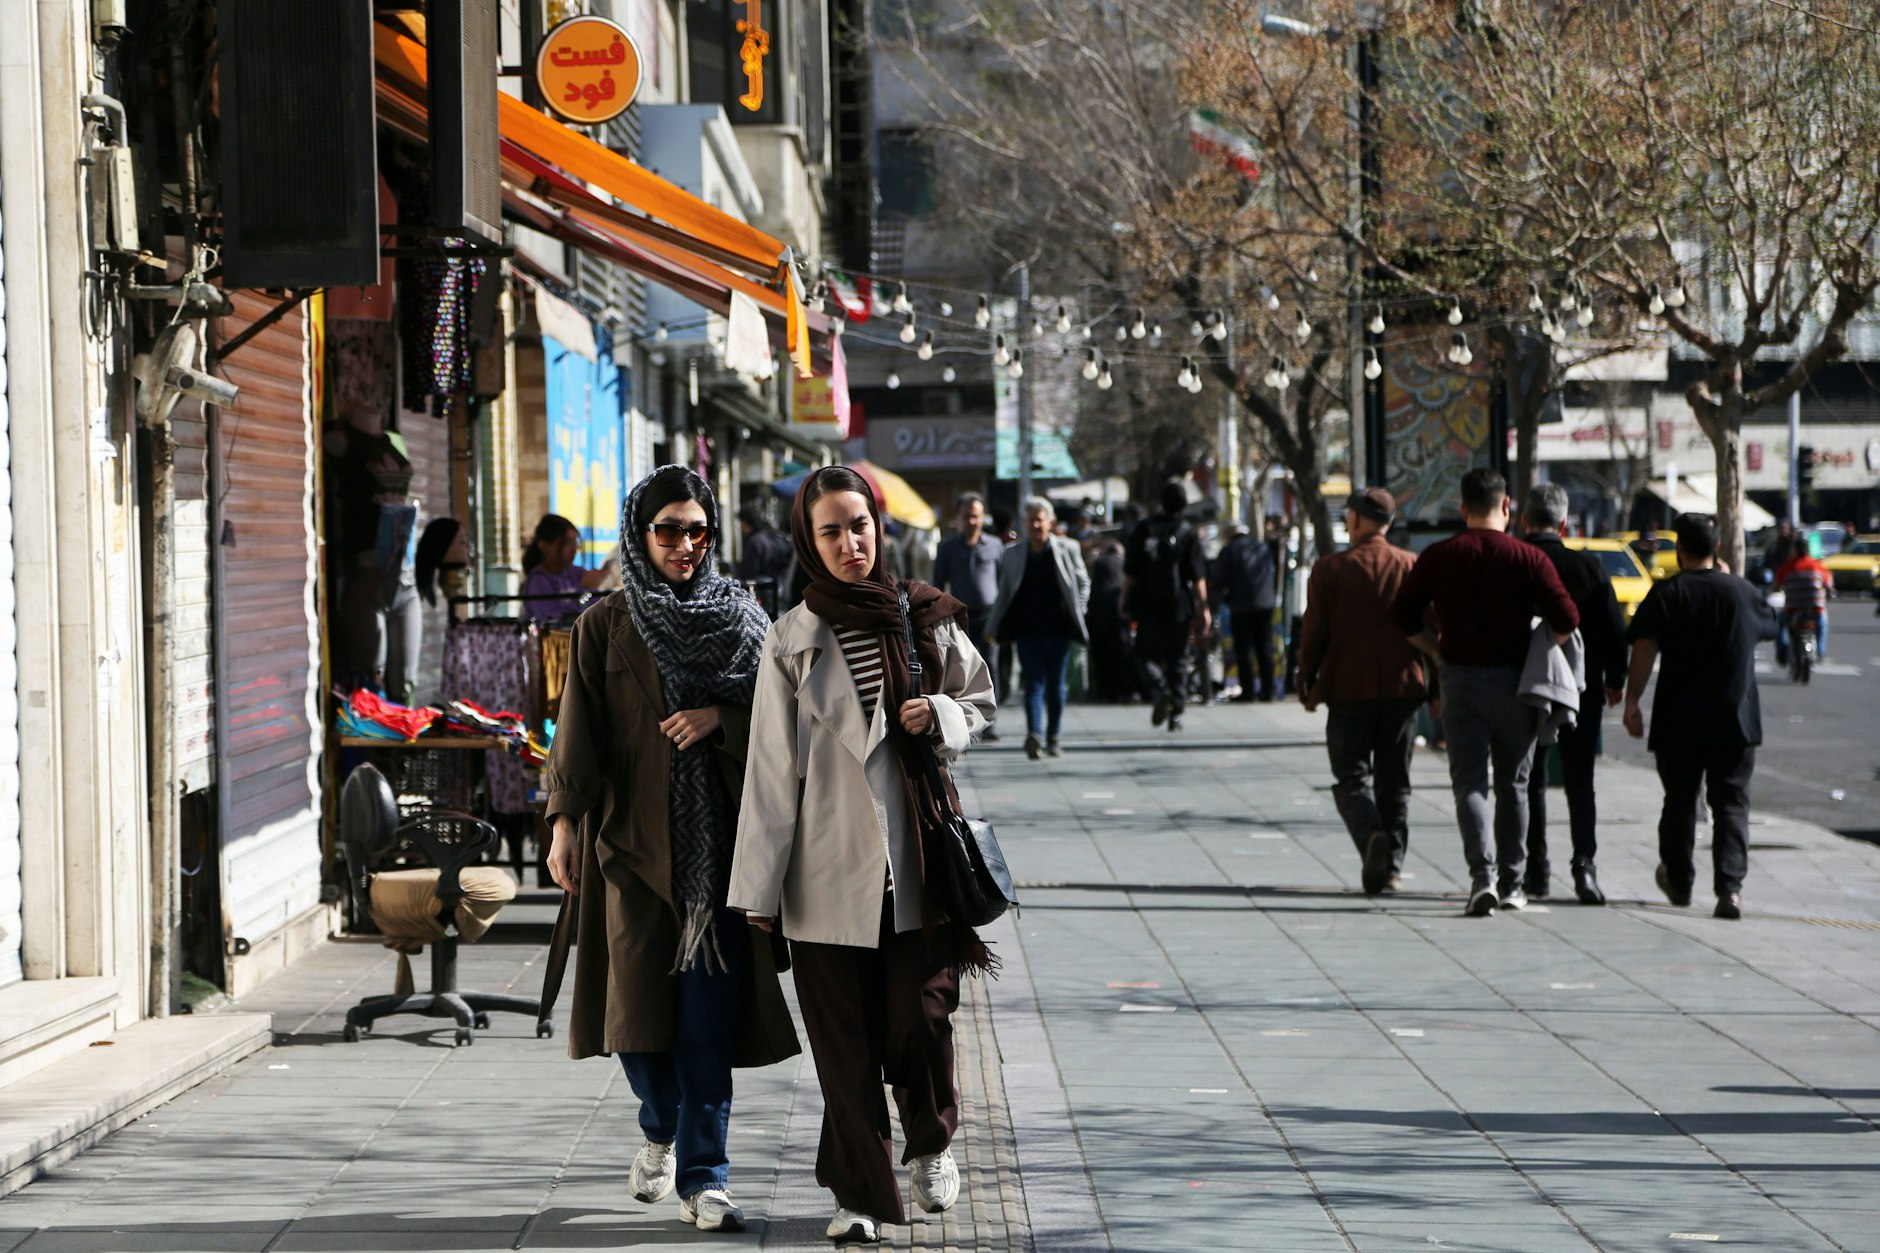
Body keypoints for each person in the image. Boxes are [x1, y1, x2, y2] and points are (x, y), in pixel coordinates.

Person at [729, 466, 997, 1245]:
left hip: (916, 862)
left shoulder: (925, 616)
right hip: (823, 868)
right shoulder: (790, 637)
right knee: (841, 1041)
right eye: (831, 531)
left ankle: (933, 1137)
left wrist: (940, 711)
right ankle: (858, 1195)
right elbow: (770, 773)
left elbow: (980, 697)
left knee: (920, 1018)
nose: (851, 543)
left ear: (879, 527)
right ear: (808, 543)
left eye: (860, 526)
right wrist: (758, 888)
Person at [540, 466, 799, 1235]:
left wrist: (721, 716)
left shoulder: (746, 619)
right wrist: (562, 826)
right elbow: (577, 733)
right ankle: (658, 1122)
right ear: (638, 533)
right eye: (667, 530)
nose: (684, 545)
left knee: (703, 1030)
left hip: (720, 858)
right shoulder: (605, 623)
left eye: (697, 531)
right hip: (628, 852)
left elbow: (786, 728)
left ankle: (705, 1178)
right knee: (634, 1024)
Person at [1392, 468, 1579, 917]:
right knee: (1514, 784)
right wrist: (1540, 644)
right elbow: (1566, 618)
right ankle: (1514, 884)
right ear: (1507, 507)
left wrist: (1436, 652)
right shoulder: (1527, 558)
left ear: (1462, 509)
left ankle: (1483, 878)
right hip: (1518, 682)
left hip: (1460, 679)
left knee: (1470, 783)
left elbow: (1402, 614)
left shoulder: (1440, 555)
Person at [1623, 513, 1779, 919]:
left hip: (1680, 720)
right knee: (1731, 804)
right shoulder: (1742, 593)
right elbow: (1768, 626)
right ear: (1718, 549)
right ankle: (1730, 890)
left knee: (1679, 802)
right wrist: (1730, 580)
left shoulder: (1667, 593)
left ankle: (1678, 879)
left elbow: (1643, 647)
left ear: (1679, 549)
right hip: (1735, 718)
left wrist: (1632, 701)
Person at [1298, 488, 1427, 895]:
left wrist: (1305, 678)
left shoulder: (1330, 569)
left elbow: (1314, 631)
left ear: (1353, 520)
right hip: (1403, 688)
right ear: (1388, 524)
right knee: (1395, 781)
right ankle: (1391, 868)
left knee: (1351, 777)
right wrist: (1438, 687)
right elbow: (1431, 632)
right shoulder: (1411, 566)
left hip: (1347, 688)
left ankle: (1371, 834)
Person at [1521, 484, 1628, 905]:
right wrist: (1616, 679)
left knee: (1530, 777)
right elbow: (1612, 627)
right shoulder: (1587, 566)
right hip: (1581, 687)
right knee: (1580, 781)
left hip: (1526, 685)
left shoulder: (1518, 561)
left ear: (1524, 520)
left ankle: (1536, 869)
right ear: (1564, 523)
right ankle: (1584, 865)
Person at [986, 496, 1091, 759]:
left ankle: (1053, 736)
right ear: (1024, 522)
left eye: (1039, 519)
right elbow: (1004, 594)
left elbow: (1083, 582)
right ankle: (1035, 733)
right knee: (1033, 683)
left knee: (1056, 685)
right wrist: (993, 626)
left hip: (1059, 628)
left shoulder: (1068, 549)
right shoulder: (1012, 554)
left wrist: (1079, 609)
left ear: (1050, 522)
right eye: (1030, 519)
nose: (1035, 525)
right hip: (1027, 630)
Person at [1124, 481, 1210, 732]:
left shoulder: (1144, 528)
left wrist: (1124, 598)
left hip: (1147, 603)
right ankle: (1176, 713)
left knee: (1142, 653)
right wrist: (1203, 607)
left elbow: (1130, 569)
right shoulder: (1187, 531)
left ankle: (1158, 686)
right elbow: (1198, 575)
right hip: (1179, 605)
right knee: (1179, 658)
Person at [930, 492, 1006, 740]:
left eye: (975, 516)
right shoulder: (948, 547)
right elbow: (938, 583)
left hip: (989, 617)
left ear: (983, 517)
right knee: (960, 670)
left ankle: (990, 721)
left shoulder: (995, 546)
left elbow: (1004, 582)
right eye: (966, 516)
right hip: (959, 619)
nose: (971, 521)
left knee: (990, 666)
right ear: (958, 518)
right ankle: (964, 722)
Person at [1214, 523, 1281, 701]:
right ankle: (1269, 690)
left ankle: (1249, 691)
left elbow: (1220, 578)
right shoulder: (1262, 547)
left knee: (1244, 650)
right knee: (1264, 648)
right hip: (1265, 604)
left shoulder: (1230, 550)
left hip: (1241, 606)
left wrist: (1225, 597)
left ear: (1228, 534)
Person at [521, 513, 614, 621]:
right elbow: (554, 620)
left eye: (575, 542)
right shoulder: (538, 581)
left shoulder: (577, 573)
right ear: (544, 546)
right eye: (566, 543)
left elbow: (597, 613)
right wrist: (584, 589)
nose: (573, 549)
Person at [1774, 536, 1833, 662]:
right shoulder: (1817, 566)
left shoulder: (1788, 567)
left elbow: (1776, 584)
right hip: (1815, 609)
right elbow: (1828, 584)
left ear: (1795, 550)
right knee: (1822, 623)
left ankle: (1782, 652)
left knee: (1778, 623)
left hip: (1792, 610)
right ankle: (1820, 651)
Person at [735, 502, 792, 584]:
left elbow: (748, 572)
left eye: (741, 523)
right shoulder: (773, 535)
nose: (741, 527)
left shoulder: (755, 543)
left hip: (763, 590)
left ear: (747, 522)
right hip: (780, 586)